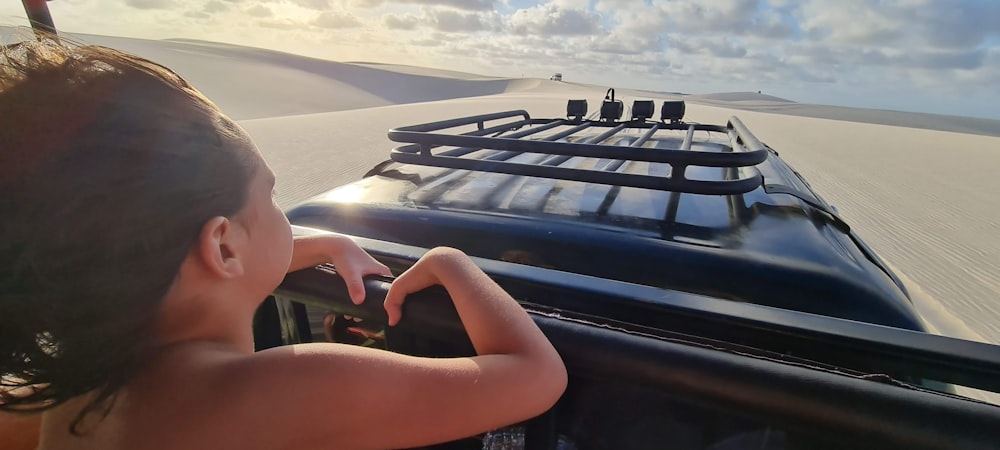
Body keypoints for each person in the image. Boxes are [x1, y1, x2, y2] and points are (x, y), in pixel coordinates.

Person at [0, 38, 567, 449]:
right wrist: (450, 261)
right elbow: (536, 377)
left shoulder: (63, 395)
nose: (284, 217)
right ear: (222, 249)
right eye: (270, 198)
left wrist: (312, 247)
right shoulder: (287, 390)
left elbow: (165, 262)